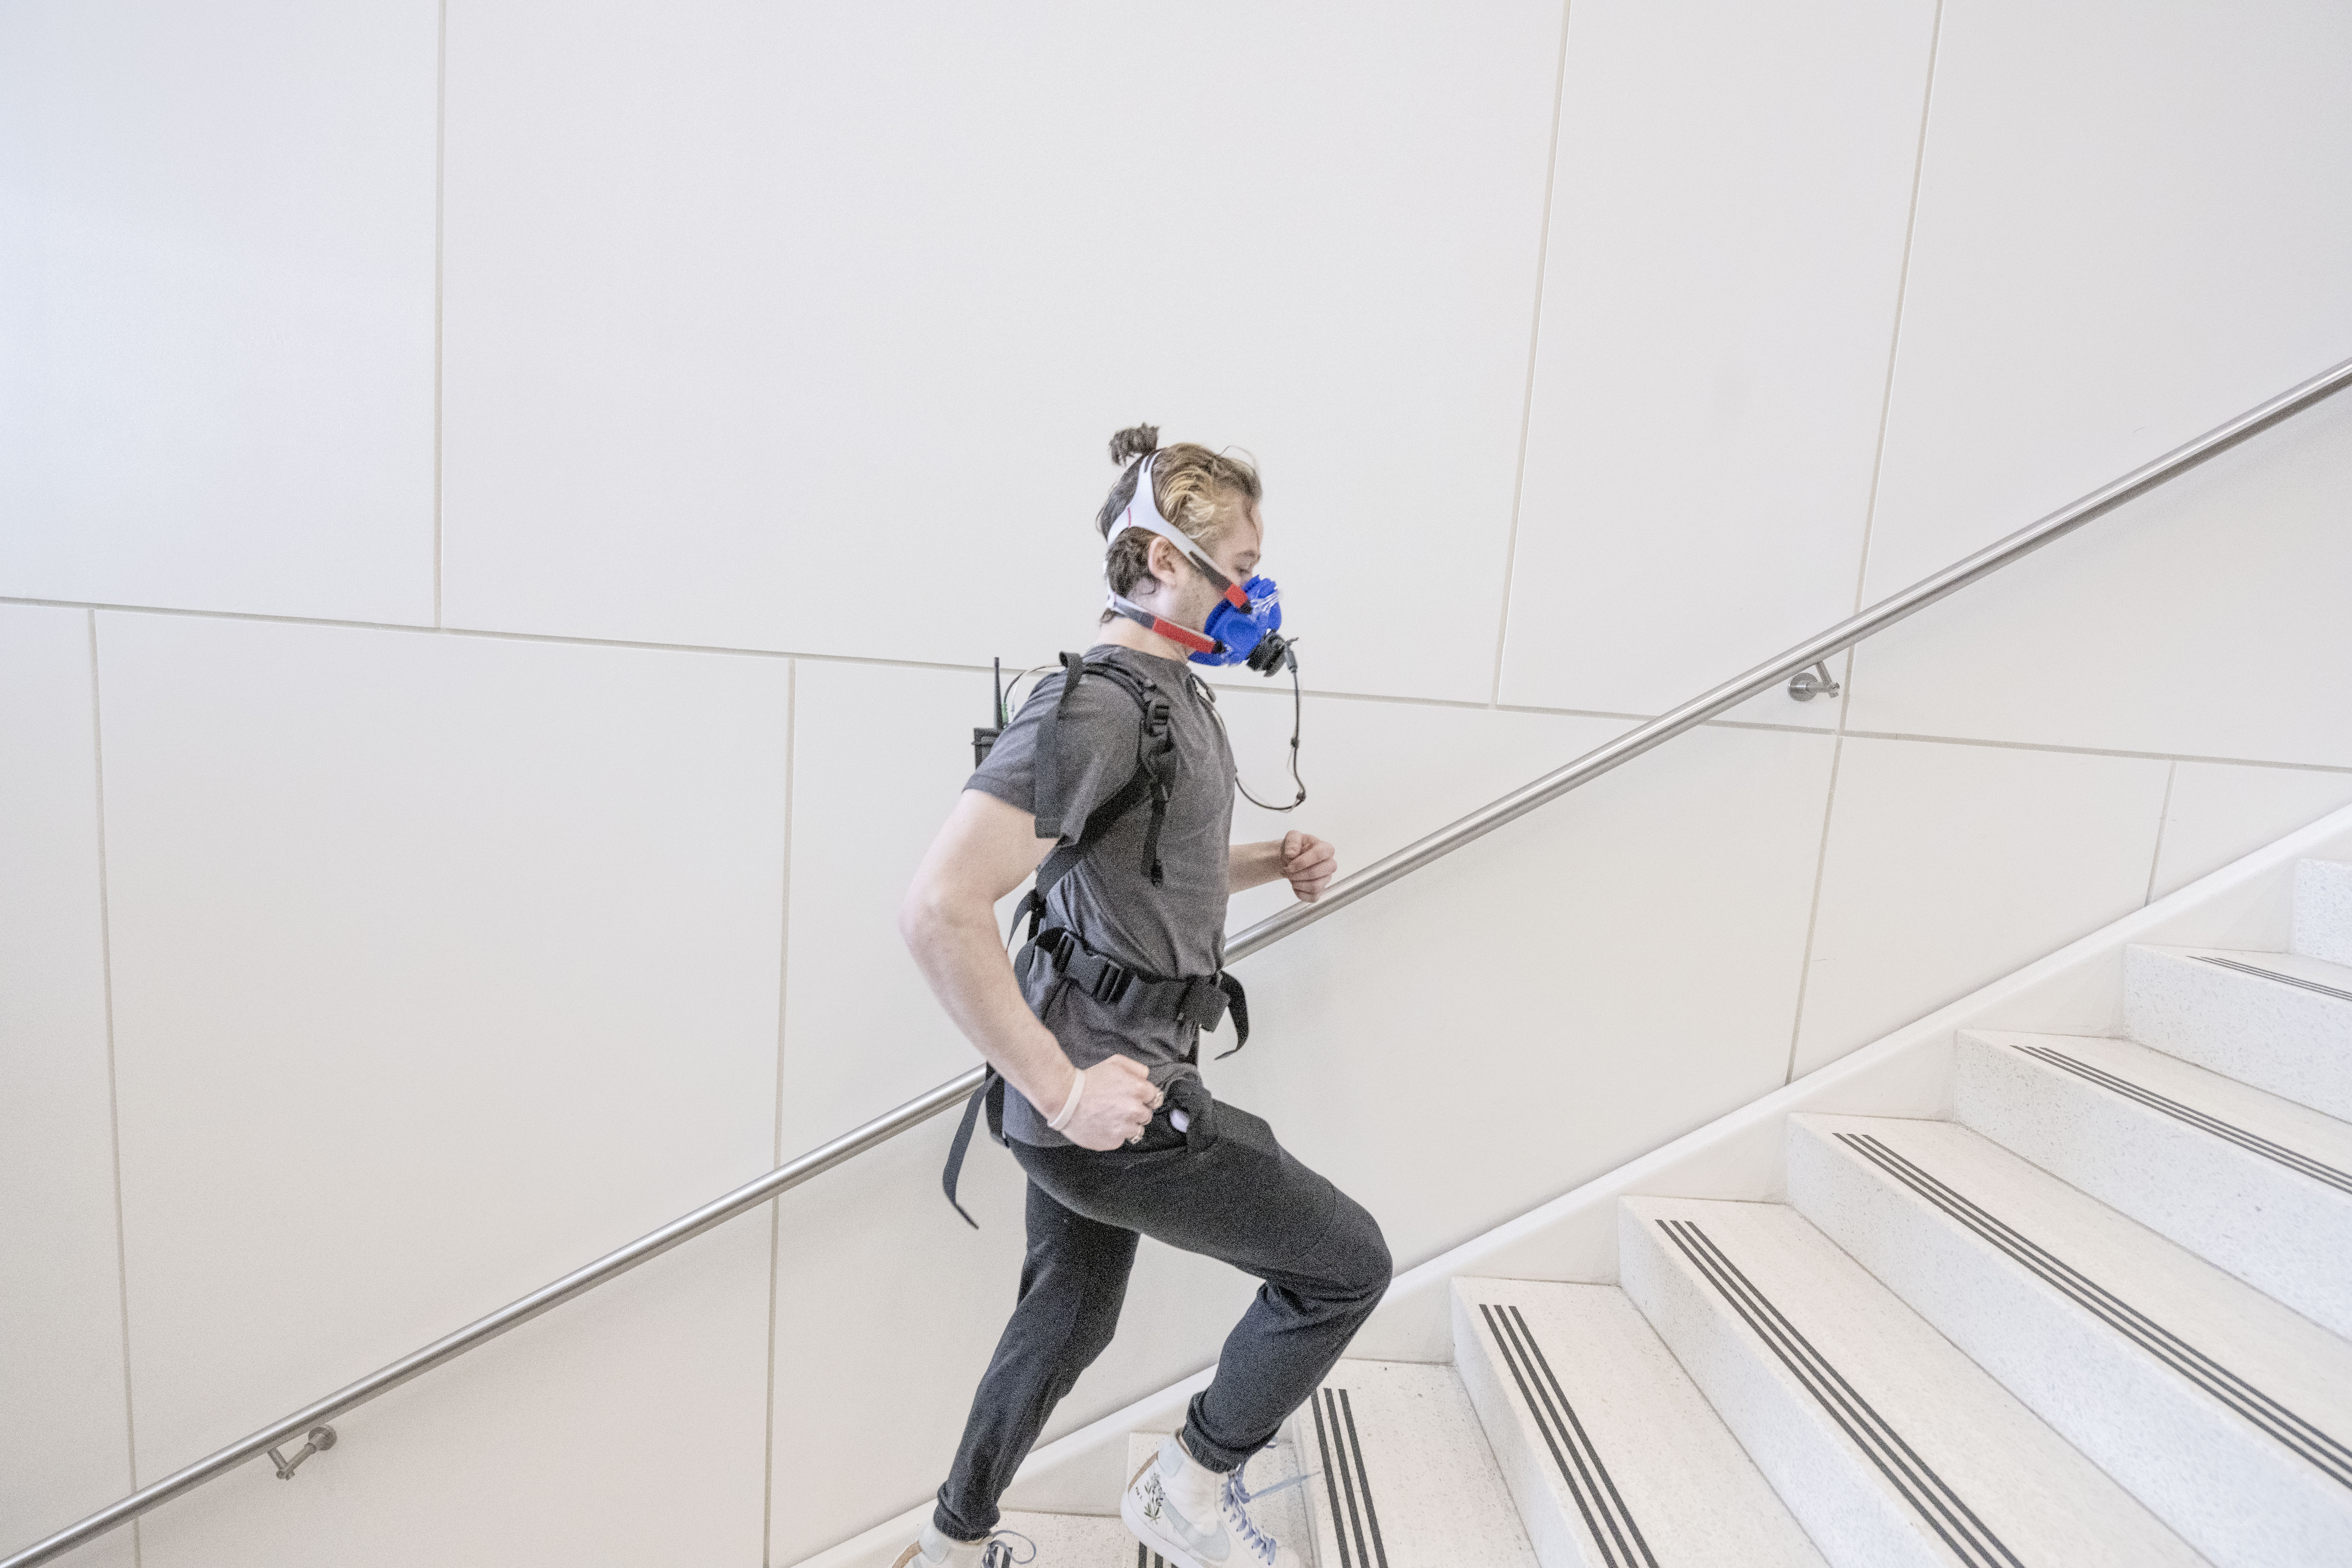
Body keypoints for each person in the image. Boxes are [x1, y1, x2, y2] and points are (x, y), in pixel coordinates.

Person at [893, 426, 1391, 1568]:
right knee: (1343, 1264)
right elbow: (940, 906)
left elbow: (1145, 861)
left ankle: (950, 1541)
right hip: (1106, 1093)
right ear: (1163, 561)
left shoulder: (1171, 695)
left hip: (1102, 1078)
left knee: (1069, 1314)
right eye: (1244, 566)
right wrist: (1063, 1088)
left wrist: (1271, 862)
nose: (1259, 594)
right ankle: (1192, 1482)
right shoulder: (1096, 707)